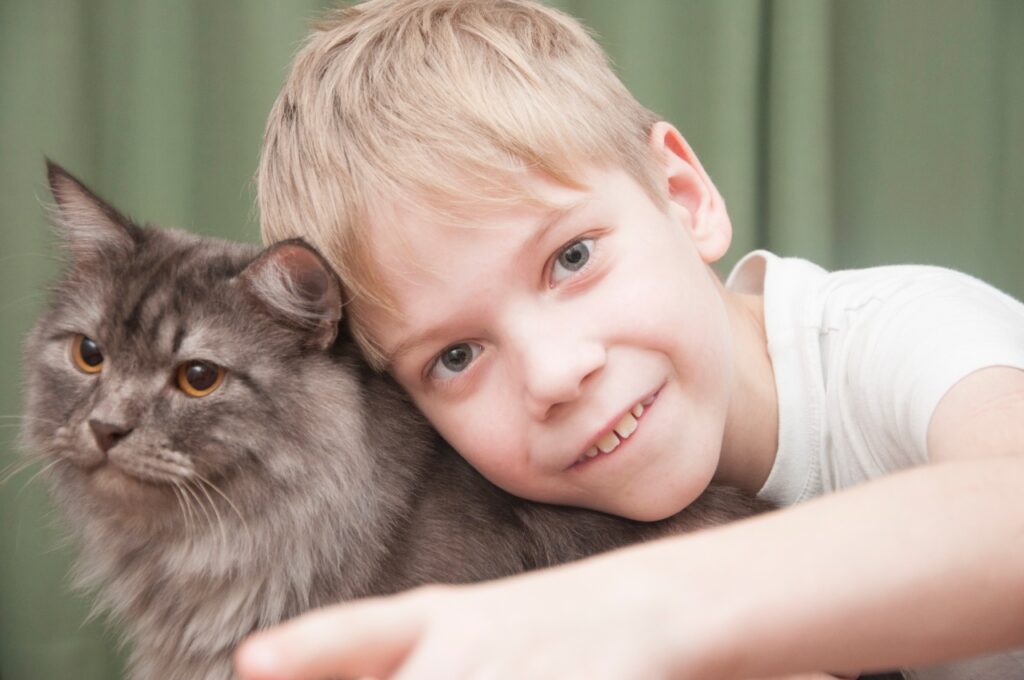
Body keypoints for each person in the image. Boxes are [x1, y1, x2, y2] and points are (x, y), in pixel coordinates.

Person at [235, 1, 1024, 678]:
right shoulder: (503, 518)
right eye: (456, 357)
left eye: (571, 258)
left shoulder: (902, 334)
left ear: (684, 196)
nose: (553, 375)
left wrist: (635, 611)